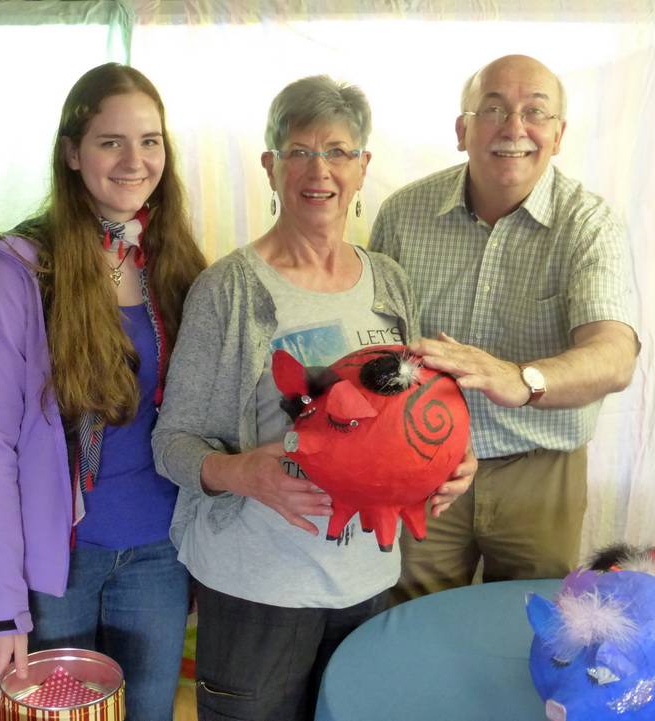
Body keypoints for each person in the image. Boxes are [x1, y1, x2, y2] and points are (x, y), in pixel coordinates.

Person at [151, 75, 475, 721]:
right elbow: (171, 441)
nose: (318, 169)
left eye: (338, 151)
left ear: (363, 168)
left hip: (367, 579)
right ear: (270, 167)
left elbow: (407, 413)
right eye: (298, 150)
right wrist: (245, 472)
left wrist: (443, 467)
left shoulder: (389, 281)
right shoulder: (229, 289)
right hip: (257, 587)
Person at [0, 63, 206, 720]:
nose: (134, 160)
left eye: (150, 141)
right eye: (110, 141)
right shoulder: (20, 268)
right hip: (56, 566)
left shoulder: (178, 264)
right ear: (72, 153)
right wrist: (3, 607)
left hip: (160, 550)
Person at [369, 54, 640, 602]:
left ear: (559, 135)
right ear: (462, 129)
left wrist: (522, 379)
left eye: (535, 113)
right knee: (408, 619)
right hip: (424, 463)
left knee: (529, 629)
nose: (515, 128)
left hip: (542, 472)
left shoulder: (589, 223)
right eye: (493, 109)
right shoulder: (403, 214)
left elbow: (614, 355)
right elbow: (373, 342)